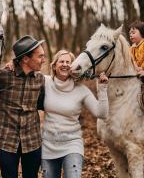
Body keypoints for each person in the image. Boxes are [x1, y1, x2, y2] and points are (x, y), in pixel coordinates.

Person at [41, 50, 109, 178]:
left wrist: (103, 88)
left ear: (73, 67)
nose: (65, 64)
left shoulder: (81, 90)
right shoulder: (45, 82)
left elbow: (102, 113)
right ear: (54, 66)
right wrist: (13, 63)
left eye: (68, 62)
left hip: (72, 145)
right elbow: (26, 75)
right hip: (48, 146)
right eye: (61, 61)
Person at [0, 35, 45, 178]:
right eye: (40, 56)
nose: (44, 60)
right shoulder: (2, 76)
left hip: (32, 141)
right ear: (25, 59)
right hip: (7, 141)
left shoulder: (40, 79)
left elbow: (42, 103)